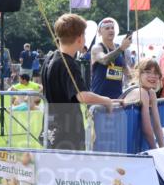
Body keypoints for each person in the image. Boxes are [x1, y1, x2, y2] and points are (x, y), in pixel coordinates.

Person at [42, 14, 116, 150]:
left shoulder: (49, 58)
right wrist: (106, 100)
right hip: (67, 132)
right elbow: (82, 95)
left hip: (50, 127)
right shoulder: (68, 63)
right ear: (80, 38)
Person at [123, 58, 164, 150]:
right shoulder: (141, 92)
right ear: (138, 74)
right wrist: (155, 151)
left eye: (156, 73)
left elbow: (157, 125)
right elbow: (147, 129)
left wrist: (163, 150)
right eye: (148, 72)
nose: (153, 76)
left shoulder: (151, 93)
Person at [90, 17, 133, 98]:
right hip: (99, 98)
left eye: (112, 28)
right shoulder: (97, 48)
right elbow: (104, 60)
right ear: (100, 32)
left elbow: (127, 71)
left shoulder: (120, 49)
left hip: (117, 97)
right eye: (107, 28)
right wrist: (121, 48)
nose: (111, 30)